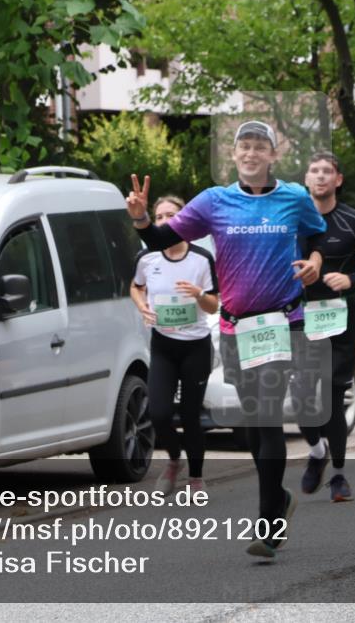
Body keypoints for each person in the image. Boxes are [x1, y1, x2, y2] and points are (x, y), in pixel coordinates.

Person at [125, 120, 326, 560]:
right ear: (234, 156)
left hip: (281, 322)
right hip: (236, 325)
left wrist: (313, 260)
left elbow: (317, 234)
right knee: (252, 423)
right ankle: (280, 501)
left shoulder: (293, 197)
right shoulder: (215, 202)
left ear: (273, 155)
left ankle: (268, 523)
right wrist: (141, 217)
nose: (251, 153)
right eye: (244, 147)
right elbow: (162, 238)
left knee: (267, 417)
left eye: (260, 147)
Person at [292, 151, 355, 502]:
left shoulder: (352, 220)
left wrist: (351, 278)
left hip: (341, 315)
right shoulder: (292, 219)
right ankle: (317, 453)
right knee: (302, 393)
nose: (320, 177)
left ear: (338, 179)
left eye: (327, 171)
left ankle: (339, 475)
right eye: (314, 170)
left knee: (332, 391)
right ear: (306, 179)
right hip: (300, 315)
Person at [130, 195, 219, 495]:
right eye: (160, 217)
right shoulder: (147, 258)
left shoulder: (201, 259)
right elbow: (136, 286)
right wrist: (142, 305)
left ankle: (196, 477)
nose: (166, 222)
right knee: (158, 413)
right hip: (163, 345)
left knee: (191, 415)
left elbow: (213, 305)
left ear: (184, 221)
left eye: (172, 216)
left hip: (195, 346)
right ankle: (173, 460)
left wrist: (198, 294)